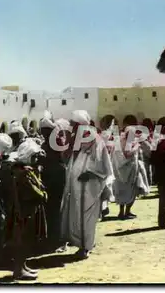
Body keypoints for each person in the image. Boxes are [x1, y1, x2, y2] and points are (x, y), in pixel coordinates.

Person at [60, 110, 114, 260]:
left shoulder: (95, 139)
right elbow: (68, 157)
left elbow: (103, 164)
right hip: (75, 185)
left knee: (86, 217)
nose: (71, 126)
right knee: (76, 215)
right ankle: (81, 243)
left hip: (89, 185)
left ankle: (85, 248)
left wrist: (91, 173)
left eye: (73, 124)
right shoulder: (75, 139)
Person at [7, 138, 48, 280]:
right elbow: (35, 192)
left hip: (25, 211)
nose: (37, 159)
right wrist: (43, 194)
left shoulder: (22, 170)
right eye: (34, 156)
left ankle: (22, 266)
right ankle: (19, 270)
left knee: (25, 241)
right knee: (22, 241)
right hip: (24, 212)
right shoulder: (23, 174)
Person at [40, 114, 69, 252]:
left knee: (56, 208)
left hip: (56, 175)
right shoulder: (47, 141)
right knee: (50, 208)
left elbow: (62, 157)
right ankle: (52, 237)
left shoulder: (57, 141)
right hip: (49, 175)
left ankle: (58, 239)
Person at [111, 126, 149, 219]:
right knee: (128, 191)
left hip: (124, 171)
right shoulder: (125, 142)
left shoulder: (121, 141)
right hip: (126, 171)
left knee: (128, 191)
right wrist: (136, 147)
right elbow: (127, 155)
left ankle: (125, 212)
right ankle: (124, 212)